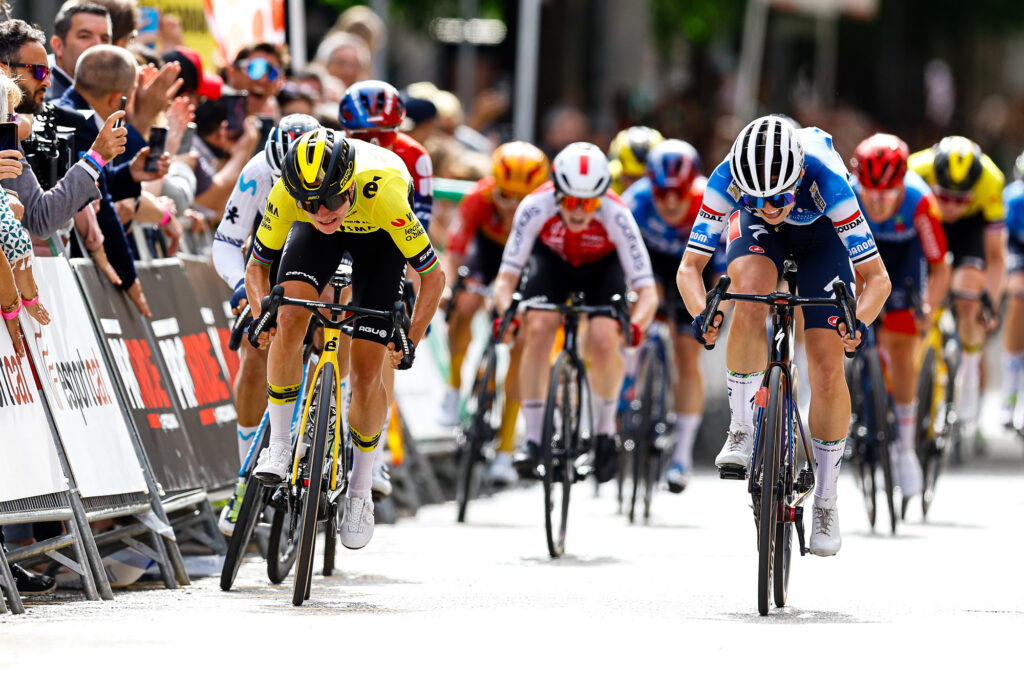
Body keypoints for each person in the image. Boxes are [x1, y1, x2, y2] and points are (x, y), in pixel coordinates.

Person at [677, 115, 891, 557]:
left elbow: (878, 279)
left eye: (779, 197)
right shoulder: (727, 178)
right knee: (749, 296)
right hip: (762, 240)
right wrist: (703, 315)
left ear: (797, 177)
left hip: (822, 238)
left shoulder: (828, 181)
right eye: (756, 199)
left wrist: (859, 323)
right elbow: (689, 268)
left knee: (828, 366)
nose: (770, 206)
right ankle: (741, 428)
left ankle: (826, 499)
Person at [245, 128, 444, 550]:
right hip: (317, 244)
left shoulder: (386, 193)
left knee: (368, 371)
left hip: (379, 241)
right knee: (289, 314)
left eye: (331, 200)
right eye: (309, 203)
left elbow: (433, 277)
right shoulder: (290, 195)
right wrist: (263, 314)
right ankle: (279, 445)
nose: (321, 211)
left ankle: (359, 490)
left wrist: (410, 338)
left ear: (349, 183)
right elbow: (257, 267)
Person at [492, 142, 658, 485]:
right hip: (552, 264)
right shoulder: (534, 206)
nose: (580, 212)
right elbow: (506, 279)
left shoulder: (616, 213)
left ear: (602, 197)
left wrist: (635, 327)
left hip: (602, 269)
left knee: (603, 337)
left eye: (590, 203)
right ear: (556, 193)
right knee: (538, 326)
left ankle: (604, 432)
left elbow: (647, 291)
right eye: (570, 202)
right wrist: (508, 315)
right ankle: (533, 439)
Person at [212, 113, 320, 534]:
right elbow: (226, 241)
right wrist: (242, 287)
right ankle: (245, 478)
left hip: (328, 249)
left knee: (337, 329)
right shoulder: (257, 171)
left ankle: (334, 429)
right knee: (256, 347)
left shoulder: (340, 167)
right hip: (270, 258)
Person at [338, 79, 434, 497]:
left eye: (385, 135)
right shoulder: (334, 149)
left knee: (381, 344)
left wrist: (408, 286)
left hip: (391, 242)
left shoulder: (416, 156)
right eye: (363, 135)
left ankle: (372, 455)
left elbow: (419, 227)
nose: (374, 143)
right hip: (341, 233)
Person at [440, 141, 550, 484]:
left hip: (529, 258)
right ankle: (454, 386)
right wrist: (448, 288)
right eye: (505, 196)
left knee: (523, 340)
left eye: (522, 199)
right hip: (488, 252)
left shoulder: (547, 209)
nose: (512, 207)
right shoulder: (479, 198)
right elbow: (455, 251)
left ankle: (506, 448)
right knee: (464, 302)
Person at [850, 133, 951, 500]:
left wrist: (928, 309)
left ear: (901, 186)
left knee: (902, 347)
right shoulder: (846, 195)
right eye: (870, 193)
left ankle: (905, 447)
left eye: (887, 195)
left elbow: (940, 267)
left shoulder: (920, 201)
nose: (878, 203)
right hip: (862, 258)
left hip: (904, 262)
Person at [622, 139, 722, 493]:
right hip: (651, 266)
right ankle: (629, 375)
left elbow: (721, 273)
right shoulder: (636, 200)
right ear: (650, 185)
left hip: (695, 270)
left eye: (679, 192)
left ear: (692, 186)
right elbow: (620, 259)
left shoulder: (709, 201)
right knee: (638, 310)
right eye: (662, 192)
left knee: (687, 353)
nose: (671, 202)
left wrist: (713, 313)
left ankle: (681, 455)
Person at [908, 137, 1005, 446]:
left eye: (961, 199)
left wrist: (990, 301)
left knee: (969, 300)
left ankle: (970, 373)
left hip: (969, 232)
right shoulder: (915, 168)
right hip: (927, 221)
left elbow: (996, 257)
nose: (951, 206)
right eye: (946, 196)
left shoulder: (991, 180)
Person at [46, 1, 112, 101]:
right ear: (58, 45)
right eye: (84, 36)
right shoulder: (41, 97)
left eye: (104, 39)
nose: (98, 46)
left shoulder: (115, 89)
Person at [1002, 151, 1024, 428]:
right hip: (1017, 250)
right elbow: (1000, 243)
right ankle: (1009, 395)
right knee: (1018, 297)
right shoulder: (1014, 199)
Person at [608, 126, 663, 195]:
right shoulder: (607, 180)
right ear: (621, 173)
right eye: (632, 178)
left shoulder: (669, 184)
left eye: (645, 178)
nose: (639, 186)